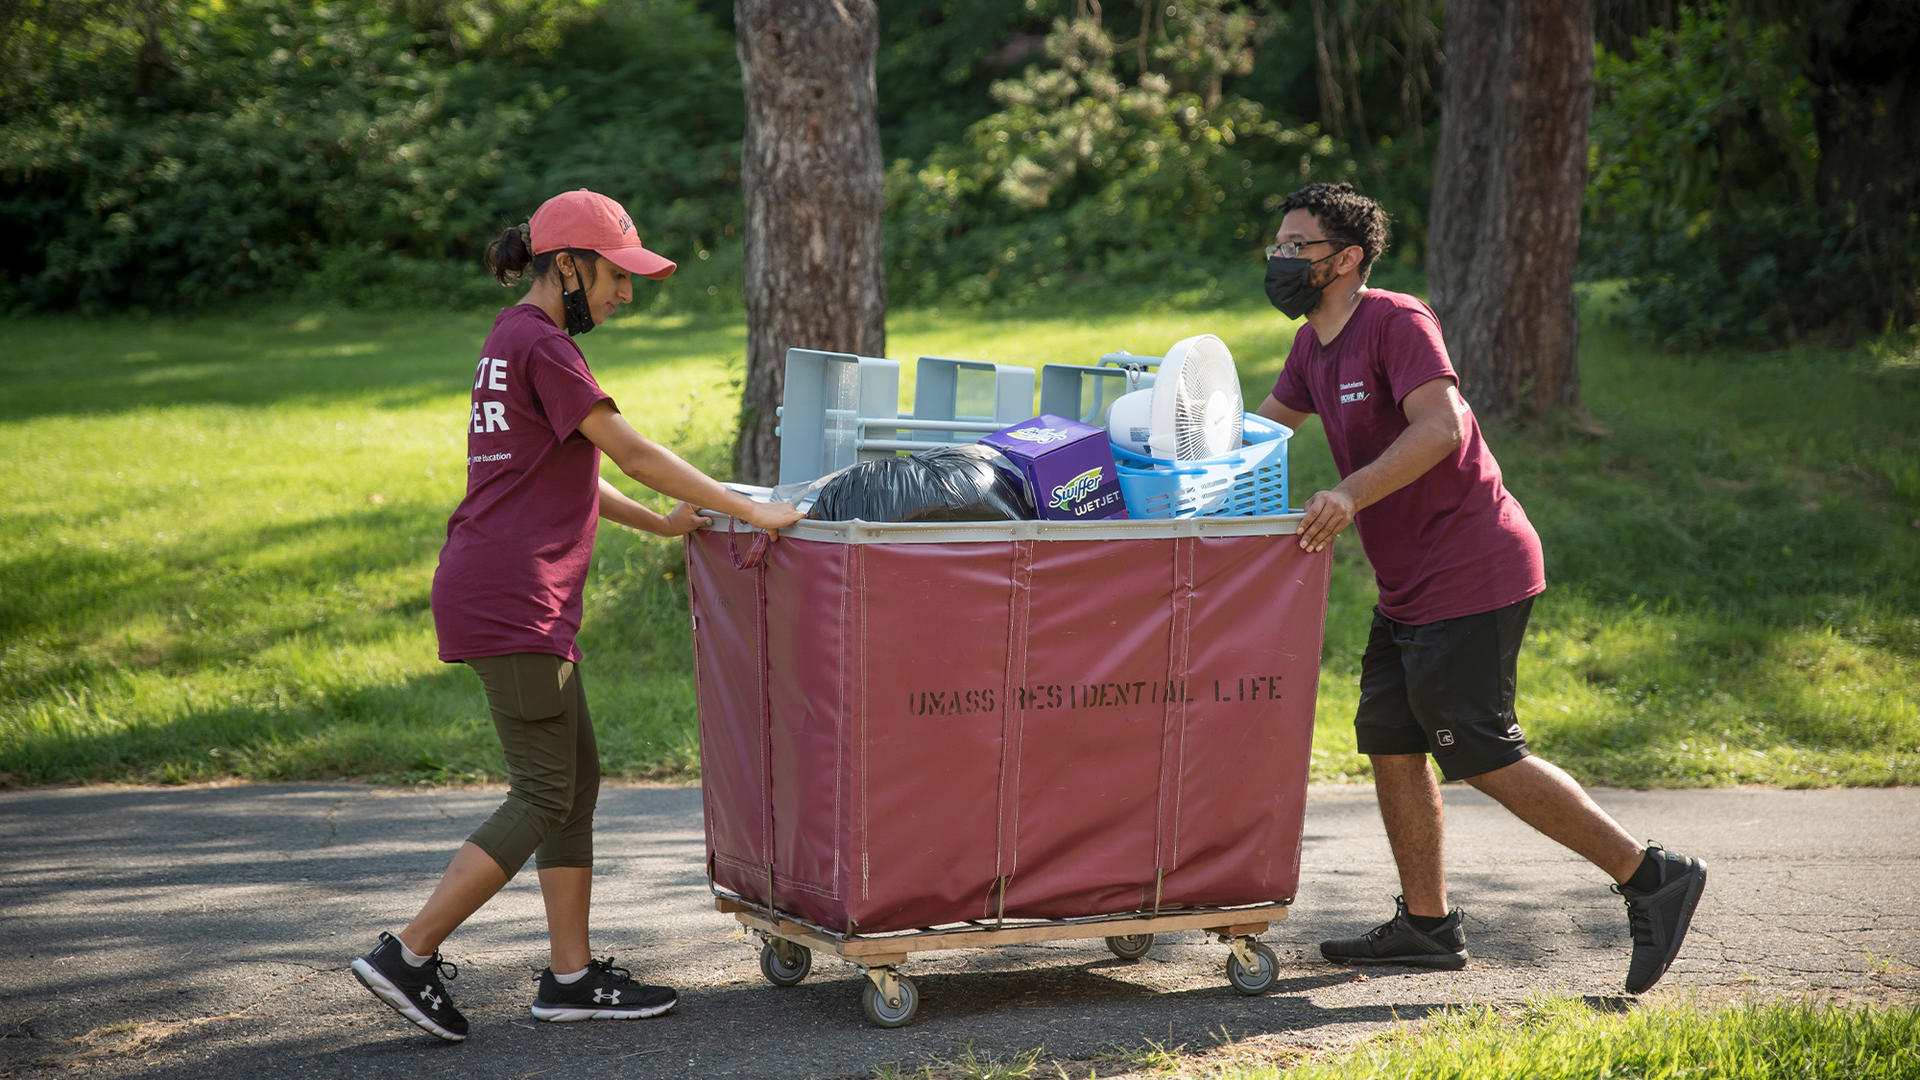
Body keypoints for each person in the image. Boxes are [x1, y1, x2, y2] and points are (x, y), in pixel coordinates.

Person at [350, 188, 804, 1042]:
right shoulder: (542, 343)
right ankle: (406, 954)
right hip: (512, 597)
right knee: (545, 788)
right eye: (615, 276)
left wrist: (661, 521)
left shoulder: (510, 338)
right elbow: (627, 447)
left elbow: (569, 470)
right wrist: (752, 509)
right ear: (567, 266)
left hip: (512, 591)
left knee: (576, 781)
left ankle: (569, 977)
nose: (624, 294)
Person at [1255, 182, 1706, 995]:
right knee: (1391, 742)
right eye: (1277, 245)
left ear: (1348, 258)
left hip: (1473, 567)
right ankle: (1428, 927)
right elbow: (1255, 440)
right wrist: (1159, 458)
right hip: (1408, 585)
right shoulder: (1308, 348)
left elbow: (1442, 426)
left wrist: (1349, 493)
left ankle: (1652, 877)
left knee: (1482, 749)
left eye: (1299, 246)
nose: (1282, 259)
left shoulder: (1394, 320)